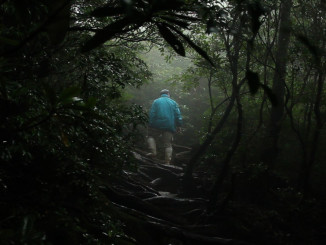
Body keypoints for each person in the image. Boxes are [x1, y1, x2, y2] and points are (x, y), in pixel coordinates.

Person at [147, 89, 182, 164]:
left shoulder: (156, 101)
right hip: (169, 126)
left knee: (151, 136)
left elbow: (152, 114)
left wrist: (150, 124)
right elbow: (178, 115)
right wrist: (179, 125)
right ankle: (167, 162)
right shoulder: (173, 102)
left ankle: (153, 153)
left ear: (160, 95)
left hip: (157, 124)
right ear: (168, 94)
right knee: (168, 144)